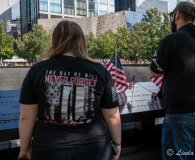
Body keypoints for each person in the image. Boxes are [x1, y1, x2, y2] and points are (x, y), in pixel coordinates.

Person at [18, 20, 121, 160]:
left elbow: (26, 117)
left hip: (48, 147)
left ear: (55, 40)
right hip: (95, 147)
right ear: (81, 41)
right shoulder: (101, 71)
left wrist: (24, 149)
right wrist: (117, 143)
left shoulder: (37, 70)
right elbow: (112, 115)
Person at [149, 2, 195, 160]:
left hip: (181, 118)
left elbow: (154, 72)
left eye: (172, 16)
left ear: (176, 15)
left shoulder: (171, 40)